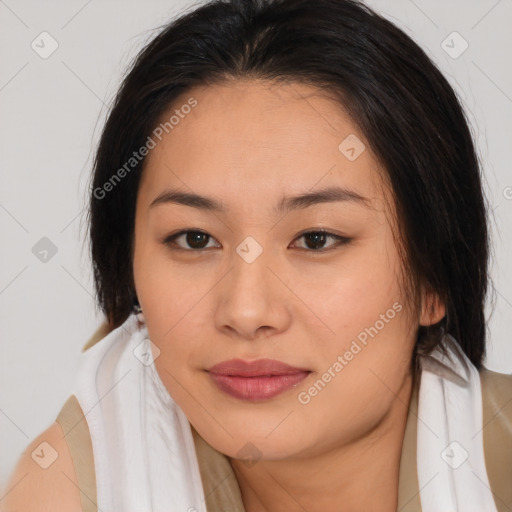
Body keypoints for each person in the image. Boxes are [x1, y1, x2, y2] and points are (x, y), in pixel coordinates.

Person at [3, 0, 511, 511]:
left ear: (434, 280)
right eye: (194, 239)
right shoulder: (71, 488)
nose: (246, 313)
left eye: (316, 239)